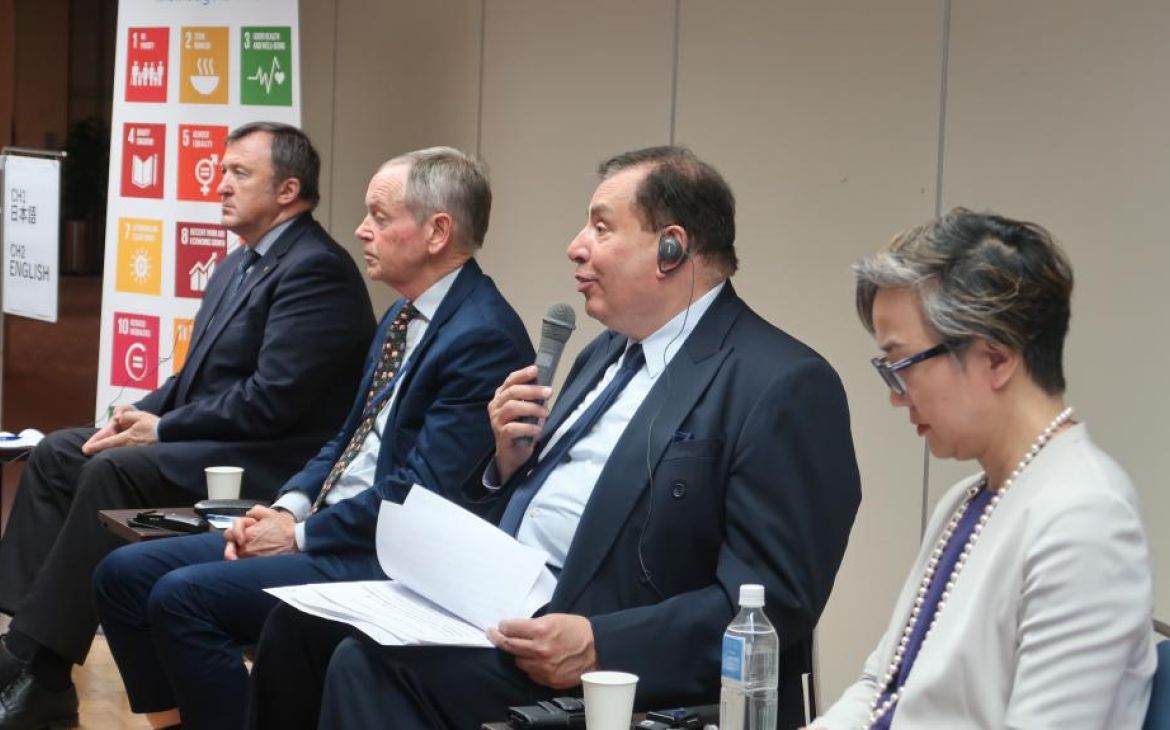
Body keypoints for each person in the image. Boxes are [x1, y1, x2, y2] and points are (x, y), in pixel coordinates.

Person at [245, 145, 862, 730]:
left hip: (612, 664)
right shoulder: (605, 353)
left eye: (601, 228)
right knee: (297, 628)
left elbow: (771, 607)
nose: (575, 248)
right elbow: (522, 509)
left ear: (671, 249)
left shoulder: (779, 383)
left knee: (371, 668)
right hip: (502, 611)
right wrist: (505, 467)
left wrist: (599, 644)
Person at [92, 147, 534, 730]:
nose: (361, 230)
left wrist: (298, 536)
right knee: (121, 575)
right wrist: (283, 507)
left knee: (183, 597)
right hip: (327, 527)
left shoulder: (482, 336)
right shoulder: (404, 318)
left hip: (379, 555)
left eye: (378, 215)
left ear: (437, 231)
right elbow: (343, 441)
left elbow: (420, 495)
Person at [0, 122, 374, 729]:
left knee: (115, 469)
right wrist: (135, 414)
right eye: (222, 171)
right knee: (63, 452)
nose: (219, 186)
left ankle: (28, 663)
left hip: (269, 458)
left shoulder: (316, 270)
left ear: (288, 190)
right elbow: (192, 379)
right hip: (214, 441)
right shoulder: (239, 265)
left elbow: (270, 400)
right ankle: (31, 652)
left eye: (238, 174)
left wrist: (163, 430)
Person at [808, 209, 1154, 729]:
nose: (895, 398)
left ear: (996, 358)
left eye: (901, 366)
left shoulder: (1086, 515)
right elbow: (882, 690)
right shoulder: (970, 497)